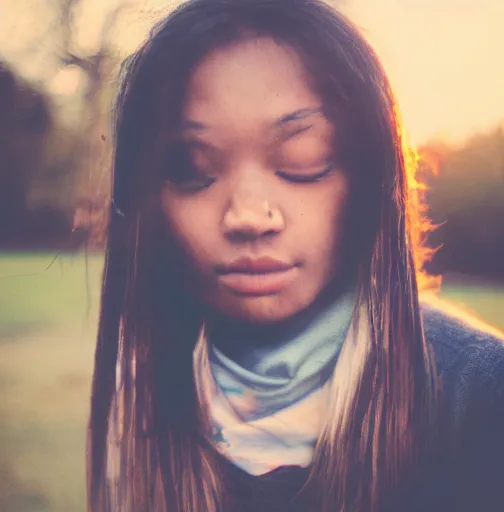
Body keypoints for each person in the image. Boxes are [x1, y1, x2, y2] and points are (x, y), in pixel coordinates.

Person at [86, 0, 504, 511]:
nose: (248, 216)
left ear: (371, 177)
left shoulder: (481, 395)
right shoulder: (141, 392)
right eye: (192, 167)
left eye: (302, 161)